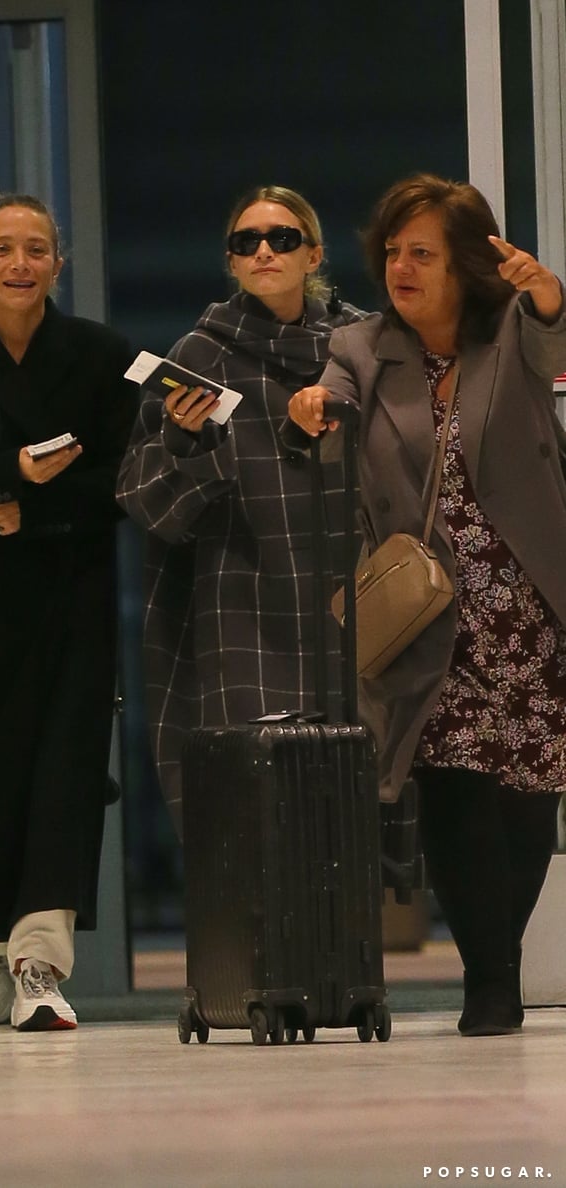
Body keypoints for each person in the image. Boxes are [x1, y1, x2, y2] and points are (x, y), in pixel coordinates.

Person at [287, 172, 566, 1037]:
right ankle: (489, 979)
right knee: (449, 786)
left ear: (465, 267)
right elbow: (331, 396)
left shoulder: (513, 332)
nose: (402, 268)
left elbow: (556, 346)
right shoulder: (362, 347)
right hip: (427, 605)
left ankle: (501, 960)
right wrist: (310, 409)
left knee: (526, 791)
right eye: (394, 252)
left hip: (528, 602)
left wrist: (550, 298)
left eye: (424, 254)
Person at [0, 193, 136, 1031]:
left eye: (37, 249)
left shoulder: (100, 354)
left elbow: (129, 476)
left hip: (69, 595)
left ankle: (39, 967)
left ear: (59, 263)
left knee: (64, 777)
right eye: (3, 248)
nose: (20, 263)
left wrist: (39, 511)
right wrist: (4, 483)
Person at [116, 185, 368, 835]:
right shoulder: (198, 354)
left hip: (350, 586)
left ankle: (342, 936)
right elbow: (141, 495)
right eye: (245, 242)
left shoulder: (359, 344)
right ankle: (264, 939)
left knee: (350, 791)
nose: (263, 251)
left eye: (282, 238)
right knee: (258, 799)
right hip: (243, 595)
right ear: (230, 262)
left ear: (314, 256)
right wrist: (187, 438)